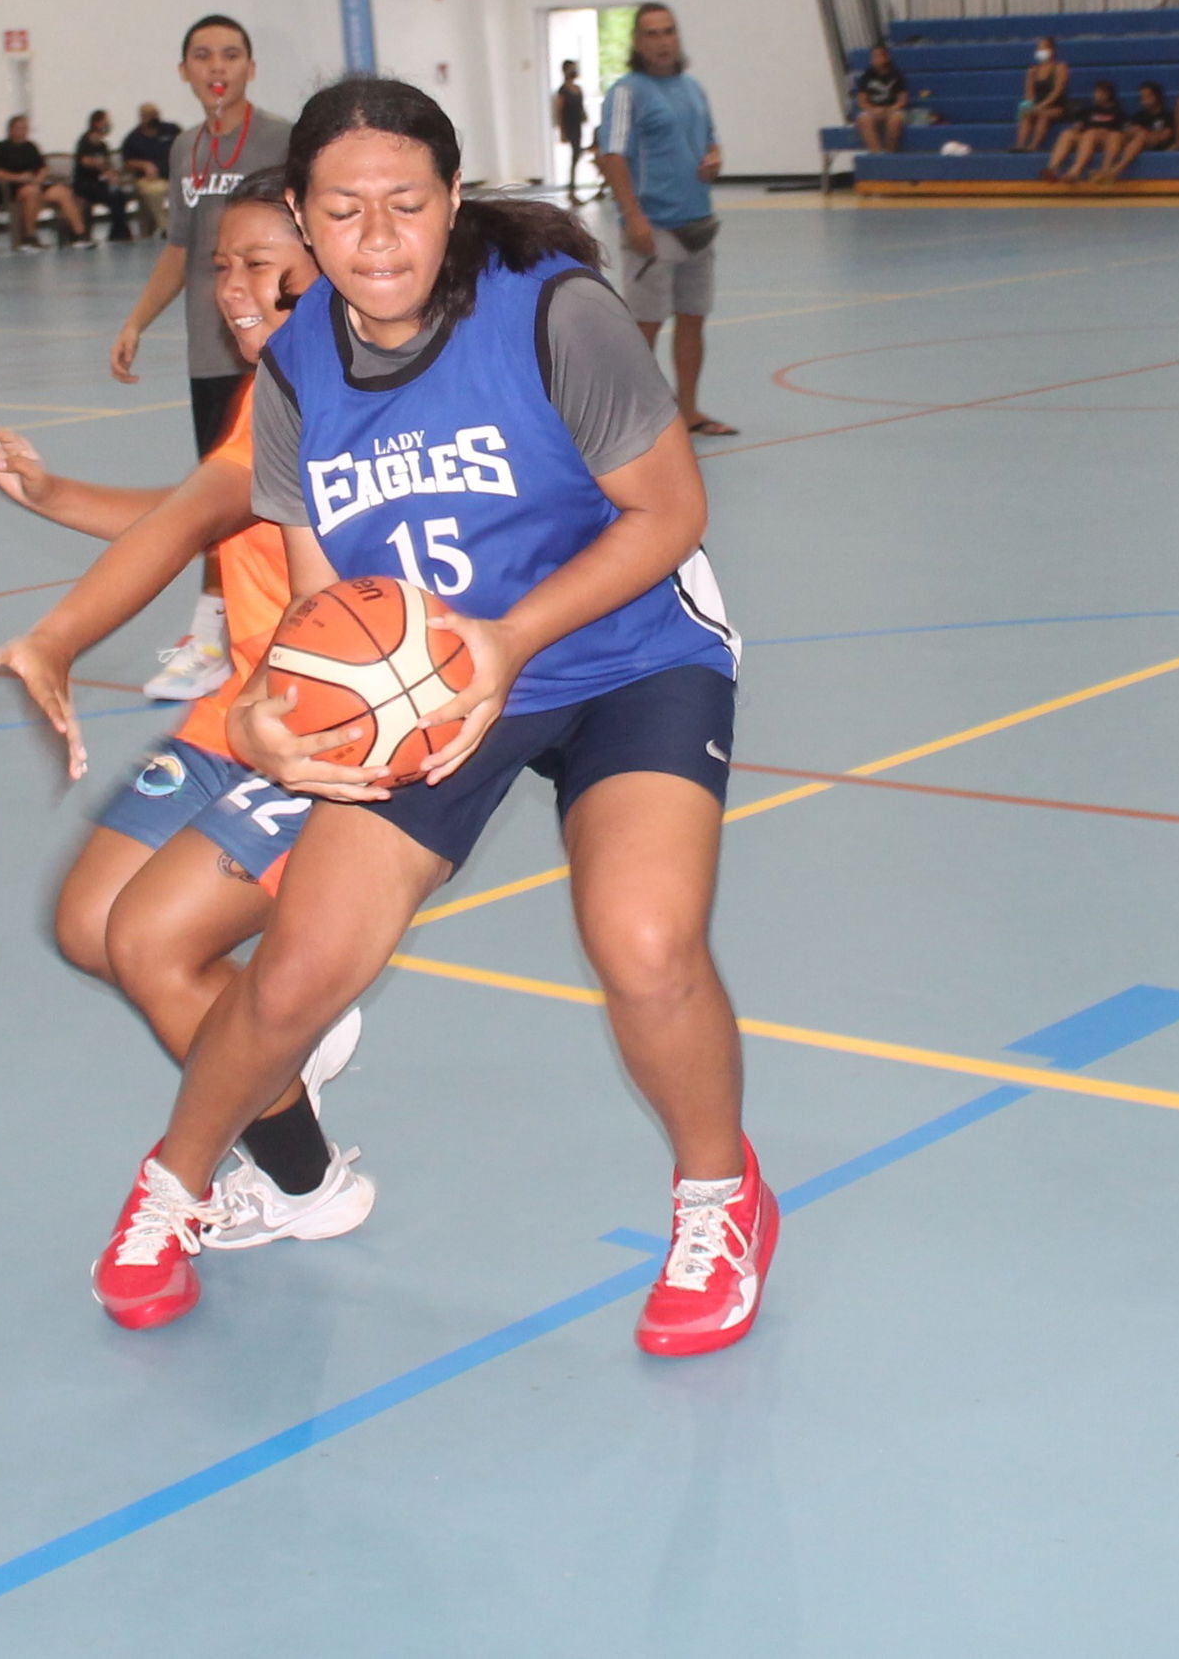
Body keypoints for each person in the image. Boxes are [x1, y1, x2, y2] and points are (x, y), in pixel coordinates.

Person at [138, 76, 773, 1362]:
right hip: (422, 688)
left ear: (448, 200)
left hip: (621, 655)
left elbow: (670, 516)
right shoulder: (297, 370)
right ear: (303, 228)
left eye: (405, 205)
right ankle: (170, 1188)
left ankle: (721, 1199)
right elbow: (322, 607)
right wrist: (277, 717)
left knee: (643, 941)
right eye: (343, 212)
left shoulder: (556, 316)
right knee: (302, 969)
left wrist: (510, 639)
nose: (377, 239)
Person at [0, 172, 371, 1327]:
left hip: (311, 732)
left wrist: (60, 636)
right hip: (230, 711)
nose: (236, 289)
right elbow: (199, 505)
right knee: (88, 925)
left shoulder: (335, 387)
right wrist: (48, 491)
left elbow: (200, 513)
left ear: (326, 254)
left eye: (260, 264)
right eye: (221, 267)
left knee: (150, 942)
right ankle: (283, 1026)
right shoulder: (269, 389)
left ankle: (308, 1183)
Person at [108, 14, 292, 703]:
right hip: (209, 347)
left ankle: (229, 633)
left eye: (232, 54)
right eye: (203, 55)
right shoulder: (185, 149)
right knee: (217, 497)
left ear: (250, 66)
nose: (218, 66)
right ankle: (218, 637)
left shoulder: (282, 139)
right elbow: (180, 249)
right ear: (183, 70)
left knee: (277, 492)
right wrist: (136, 321)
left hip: (269, 344)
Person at [597, 2, 736, 440]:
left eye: (668, 32)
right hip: (653, 228)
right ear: (638, 43)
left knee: (692, 317)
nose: (662, 41)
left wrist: (714, 158)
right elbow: (612, 155)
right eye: (652, 34)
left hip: (698, 224)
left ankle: (689, 411)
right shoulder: (626, 92)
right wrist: (633, 217)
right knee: (645, 325)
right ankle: (633, 421)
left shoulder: (693, 89)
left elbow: (710, 142)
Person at [0, 114, 92, 250]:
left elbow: (43, 167)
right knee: (32, 192)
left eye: (25, 128)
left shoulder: (31, 147)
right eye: (19, 128)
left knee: (62, 192)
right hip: (12, 188)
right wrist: (18, 177)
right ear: (10, 130)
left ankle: (79, 235)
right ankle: (29, 238)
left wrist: (39, 177)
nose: (22, 131)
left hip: (35, 183)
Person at [1041, 80, 1124, 184]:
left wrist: (1101, 132)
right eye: (1096, 92)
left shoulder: (1117, 111)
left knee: (1091, 134)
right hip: (1086, 137)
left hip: (1103, 140)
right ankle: (1052, 168)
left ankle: (1074, 172)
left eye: (1100, 93)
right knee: (1067, 134)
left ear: (1108, 94)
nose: (1096, 95)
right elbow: (1080, 125)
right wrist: (1076, 129)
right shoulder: (1089, 110)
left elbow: (1119, 132)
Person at [72, 109, 133, 244]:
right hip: (86, 183)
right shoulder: (85, 141)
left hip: (101, 182)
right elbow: (85, 161)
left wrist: (112, 175)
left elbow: (107, 166)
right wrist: (100, 166)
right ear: (97, 123)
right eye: (105, 121)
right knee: (113, 195)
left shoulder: (103, 145)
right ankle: (121, 232)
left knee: (119, 195)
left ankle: (118, 231)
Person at [120, 101, 181, 236]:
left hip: (175, 175)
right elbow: (127, 163)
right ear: (141, 117)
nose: (153, 118)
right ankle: (165, 228)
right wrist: (143, 165)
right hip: (150, 180)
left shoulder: (172, 130)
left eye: (155, 114)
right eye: (149, 115)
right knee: (155, 191)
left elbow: (187, 148)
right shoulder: (133, 139)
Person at [1102, 80, 1172, 183]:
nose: (1143, 99)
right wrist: (1135, 131)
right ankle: (1105, 169)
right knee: (1115, 134)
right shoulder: (1139, 115)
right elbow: (1128, 131)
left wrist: (1144, 133)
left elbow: (1165, 136)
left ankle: (1117, 170)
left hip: (1155, 144)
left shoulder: (1167, 115)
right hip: (1136, 143)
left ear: (1156, 96)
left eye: (1147, 96)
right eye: (1142, 96)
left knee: (1141, 136)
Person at [1012, 36, 1070, 151]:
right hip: (1038, 104)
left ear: (1051, 50)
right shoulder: (1033, 70)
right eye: (1038, 48)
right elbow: (1029, 92)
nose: (1039, 51)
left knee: (1043, 115)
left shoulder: (1060, 67)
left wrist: (1042, 106)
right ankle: (1020, 145)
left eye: (1042, 48)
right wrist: (1030, 105)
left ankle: (1033, 146)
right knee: (1026, 114)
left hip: (1056, 105)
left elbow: (1058, 91)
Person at [854, 42, 909, 152]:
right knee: (863, 119)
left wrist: (889, 110)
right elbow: (862, 101)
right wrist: (873, 110)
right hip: (873, 110)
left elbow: (903, 100)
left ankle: (889, 154)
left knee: (896, 120)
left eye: (878, 56)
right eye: (873, 57)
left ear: (886, 57)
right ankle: (876, 154)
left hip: (892, 110)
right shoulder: (867, 76)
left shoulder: (897, 75)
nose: (875, 60)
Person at [553, 58, 586, 199]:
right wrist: (562, 131)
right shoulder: (563, 90)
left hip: (578, 126)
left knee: (578, 154)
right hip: (570, 126)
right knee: (575, 155)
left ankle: (573, 188)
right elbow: (559, 112)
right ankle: (571, 190)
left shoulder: (578, 89)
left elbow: (581, 107)